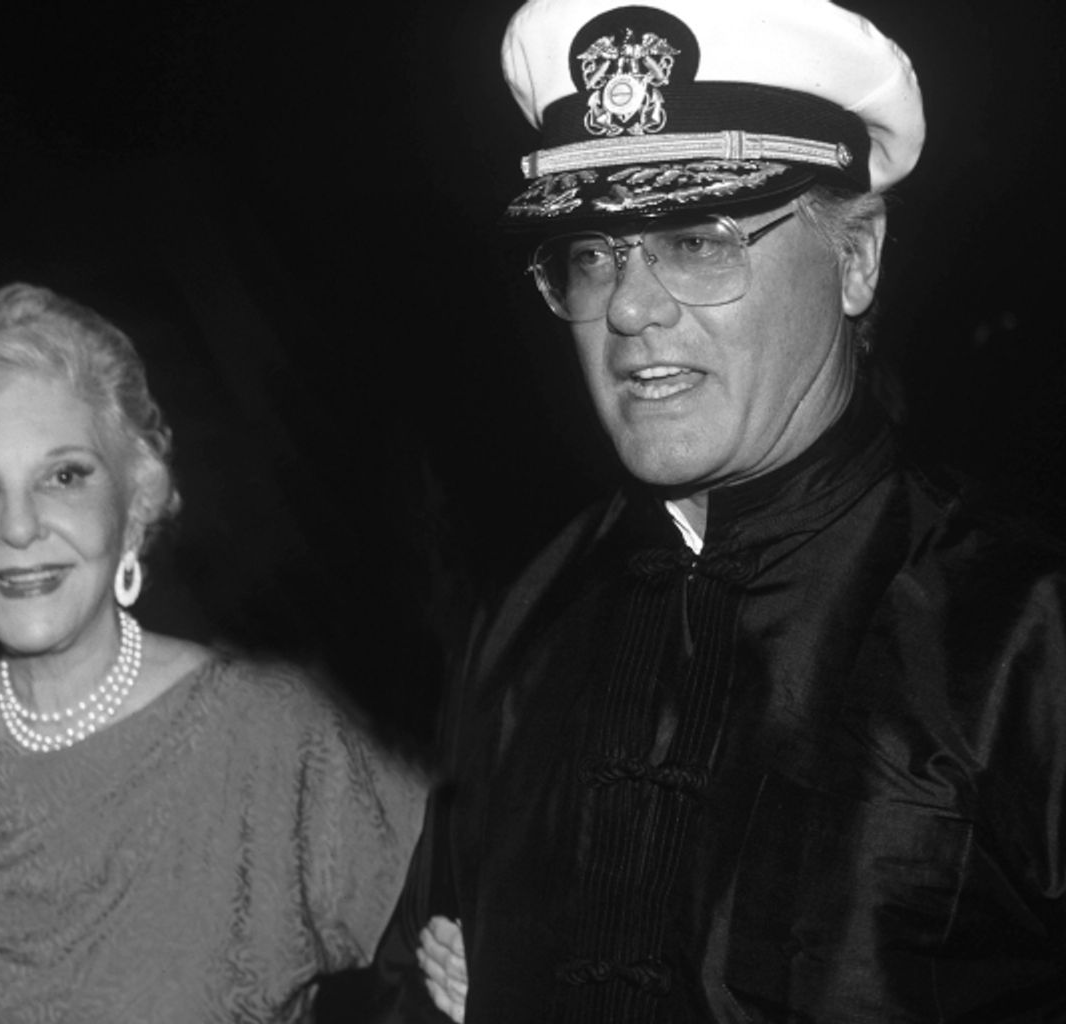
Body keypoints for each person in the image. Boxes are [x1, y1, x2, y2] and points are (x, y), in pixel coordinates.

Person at [382, 0, 1066, 1020]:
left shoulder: (1021, 633)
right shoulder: (528, 618)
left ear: (858, 257)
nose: (630, 305)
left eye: (698, 239)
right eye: (593, 252)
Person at [0, 282, 425, 1023]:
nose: (19, 527)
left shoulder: (270, 732)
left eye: (64, 476)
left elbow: (485, 943)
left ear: (131, 505)